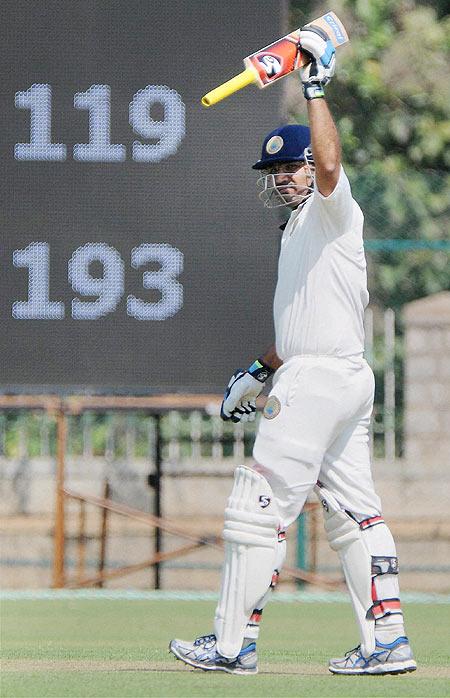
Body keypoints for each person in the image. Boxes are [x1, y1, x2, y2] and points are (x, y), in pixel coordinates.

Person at [169, 23, 416, 676]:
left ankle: (231, 646)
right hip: (341, 376)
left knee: (256, 506)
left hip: (318, 383)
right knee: (355, 514)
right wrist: (258, 370)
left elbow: (333, 166)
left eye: (293, 165)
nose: (284, 177)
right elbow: (304, 329)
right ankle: (387, 643)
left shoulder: (335, 209)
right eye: (276, 168)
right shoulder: (298, 233)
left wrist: (315, 89)